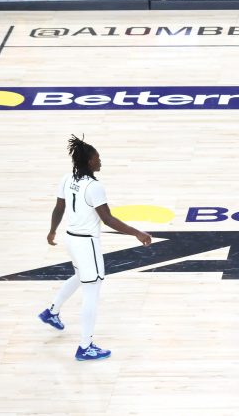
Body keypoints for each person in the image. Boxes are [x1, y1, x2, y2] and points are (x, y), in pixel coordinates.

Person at [37, 135, 152, 361]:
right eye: (98, 158)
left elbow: (59, 207)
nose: (101, 162)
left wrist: (52, 230)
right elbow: (108, 219)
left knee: (81, 277)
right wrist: (137, 233)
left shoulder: (66, 178)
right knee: (92, 290)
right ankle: (85, 346)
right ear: (89, 162)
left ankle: (51, 311)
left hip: (71, 239)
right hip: (86, 243)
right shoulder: (94, 186)